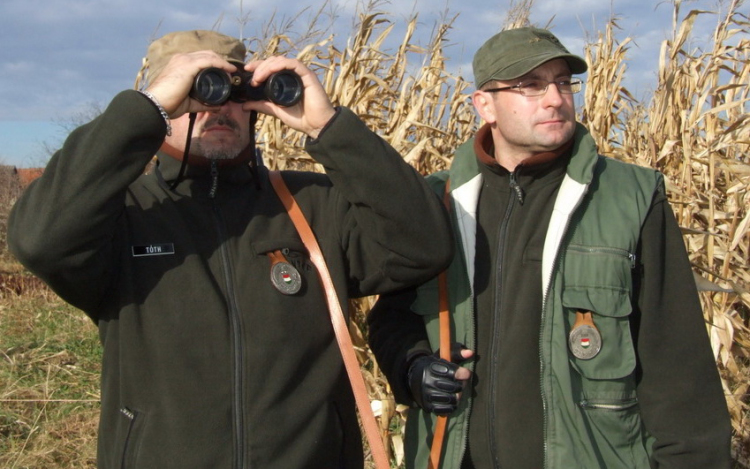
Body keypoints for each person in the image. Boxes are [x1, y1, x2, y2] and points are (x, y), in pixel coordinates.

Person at [8, 30, 453, 469]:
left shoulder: (312, 205)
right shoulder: (122, 216)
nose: (218, 108)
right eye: (197, 91)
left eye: (233, 93)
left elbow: (423, 246)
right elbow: (39, 240)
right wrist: (145, 110)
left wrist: (329, 127)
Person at [367, 27, 732, 469]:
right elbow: (390, 320)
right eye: (530, 85)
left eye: (562, 82)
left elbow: (677, 363)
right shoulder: (436, 203)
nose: (555, 98)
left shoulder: (630, 197)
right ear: (485, 105)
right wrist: (414, 369)